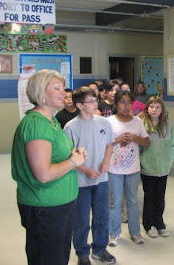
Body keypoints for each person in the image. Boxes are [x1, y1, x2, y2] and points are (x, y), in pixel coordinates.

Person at [11, 69, 86, 265]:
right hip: (45, 208)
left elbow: (54, 153)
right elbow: (43, 174)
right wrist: (73, 162)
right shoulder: (37, 125)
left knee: (59, 258)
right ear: (41, 93)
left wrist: (73, 154)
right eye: (57, 88)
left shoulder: (51, 122)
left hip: (61, 204)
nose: (64, 93)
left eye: (63, 88)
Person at [64, 87, 116, 265]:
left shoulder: (103, 122)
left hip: (101, 179)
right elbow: (70, 155)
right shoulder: (71, 127)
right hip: (81, 181)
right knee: (82, 219)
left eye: (95, 100)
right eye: (91, 101)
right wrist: (85, 170)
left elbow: (109, 144)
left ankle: (100, 249)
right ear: (79, 105)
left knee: (102, 216)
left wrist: (106, 162)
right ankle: (82, 252)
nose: (95, 103)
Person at [107, 90, 150, 246]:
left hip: (133, 169)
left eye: (129, 103)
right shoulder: (109, 122)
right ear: (116, 104)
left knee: (132, 201)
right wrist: (118, 140)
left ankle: (135, 232)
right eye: (122, 102)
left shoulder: (137, 122)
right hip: (114, 169)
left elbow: (147, 142)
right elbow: (104, 144)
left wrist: (135, 138)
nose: (126, 106)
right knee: (115, 201)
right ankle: (114, 233)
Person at [140, 96, 174, 238]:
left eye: (157, 107)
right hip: (148, 168)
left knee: (160, 197)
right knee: (149, 196)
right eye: (151, 106)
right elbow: (138, 147)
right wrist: (141, 162)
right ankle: (148, 224)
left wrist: (170, 160)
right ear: (147, 109)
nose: (154, 110)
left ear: (162, 110)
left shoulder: (168, 125)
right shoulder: (142, 125)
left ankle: (159, 222)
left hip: (163, 168)